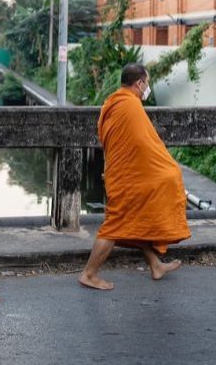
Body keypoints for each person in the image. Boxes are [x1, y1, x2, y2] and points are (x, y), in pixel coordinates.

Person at [79, 63, 191, 290]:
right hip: (127, 178)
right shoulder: (130, 105)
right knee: (116, 223)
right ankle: (89, 274)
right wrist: (166, 167)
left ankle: (155, 265)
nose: (147, 88)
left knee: (137, 218)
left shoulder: (113, 101)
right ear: (139, 83)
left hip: (120, 172)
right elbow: (144, 143)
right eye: (146, 83)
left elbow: (114, 137)